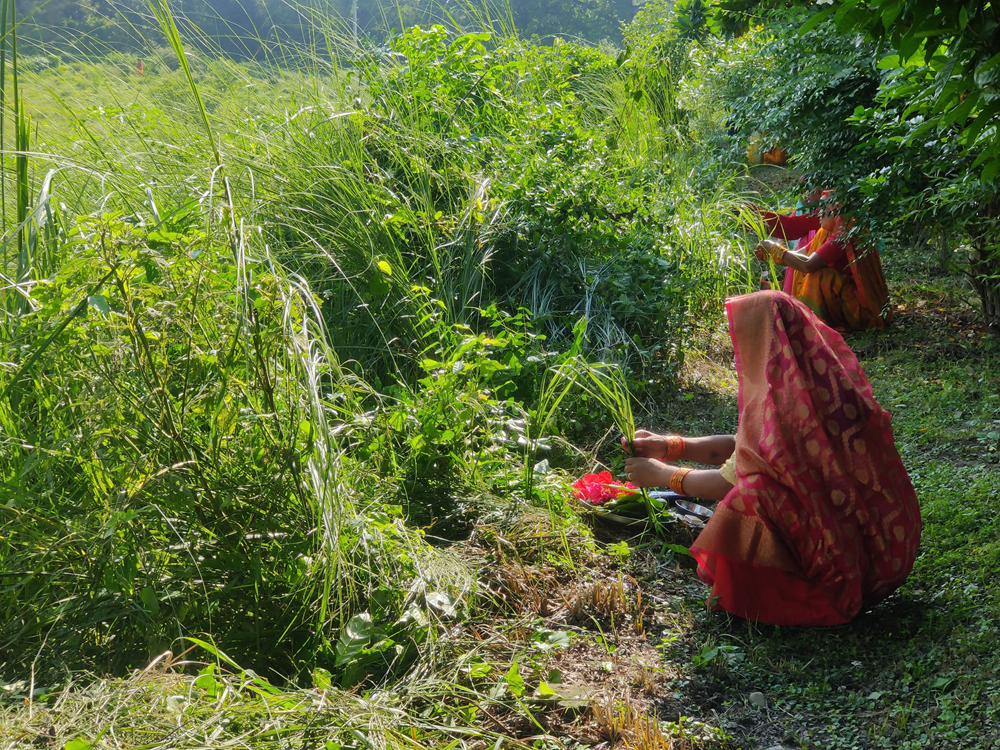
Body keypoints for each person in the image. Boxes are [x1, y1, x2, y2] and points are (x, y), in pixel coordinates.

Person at [621, 291, 921, 626]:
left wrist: (663, 475)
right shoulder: (817, 383)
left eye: (745, 342)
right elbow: (746, 447)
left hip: (833, 571)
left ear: (768, 345)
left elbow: (730, 481)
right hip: (871, 553)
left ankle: (780, 595)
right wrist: (672, 445)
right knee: (759, 486)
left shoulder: (786, 405)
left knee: (750, 496)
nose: (739, 356)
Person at [753, 193, 892, 332]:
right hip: (843, 298)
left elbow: (807, 265)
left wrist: (774, 248)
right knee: (808, 269)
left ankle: (811, 324)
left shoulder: (843, 236)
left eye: (823, 210)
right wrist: (772, 252)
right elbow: (800, 256)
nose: (819, 213)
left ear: (836, 213)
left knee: (820, 275)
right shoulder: (825, 233)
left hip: (861, 309)